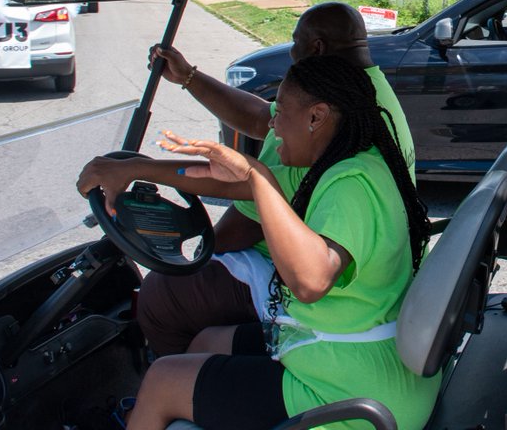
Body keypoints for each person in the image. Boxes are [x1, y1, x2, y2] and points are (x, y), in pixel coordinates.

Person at [76, 1, 415, 355]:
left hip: (330, 301)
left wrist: (136, 170)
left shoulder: (340, 147)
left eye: (295, 41)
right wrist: (189, 77)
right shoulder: (353, 94)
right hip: (339, 277)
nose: (275, 122)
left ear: (316, 48)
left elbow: (243, 210)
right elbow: (259, 118)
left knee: (163, 296)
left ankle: (177, 389)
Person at [125, 55, 437, 430]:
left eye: (281, 111)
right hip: (348, 357)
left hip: (357, 390)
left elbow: (310, 282)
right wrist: (132, 168)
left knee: (161, 380)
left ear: (316, 117)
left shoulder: (351, 186)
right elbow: (227, 181)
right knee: (207, 340)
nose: (271, 123)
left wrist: (257, 179)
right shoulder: (336, 164)